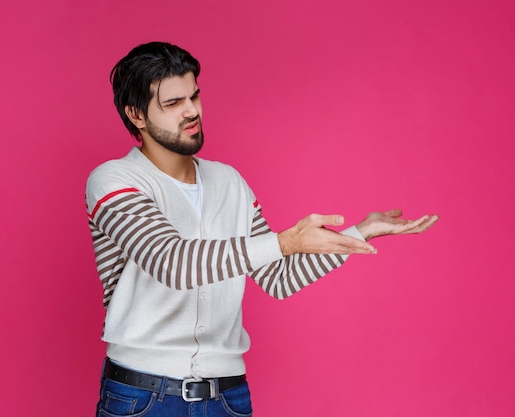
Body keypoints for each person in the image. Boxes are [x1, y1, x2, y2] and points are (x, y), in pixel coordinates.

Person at [85, 41, 438, 417]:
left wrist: (359, 232)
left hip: (228, 398)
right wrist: (286, 241)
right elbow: (172, 262)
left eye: (194, 96)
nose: (192, 111)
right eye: (173, 104)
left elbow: (278, 277)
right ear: (136, 115)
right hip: (143, 397)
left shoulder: (229, 182)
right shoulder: (113, 180)